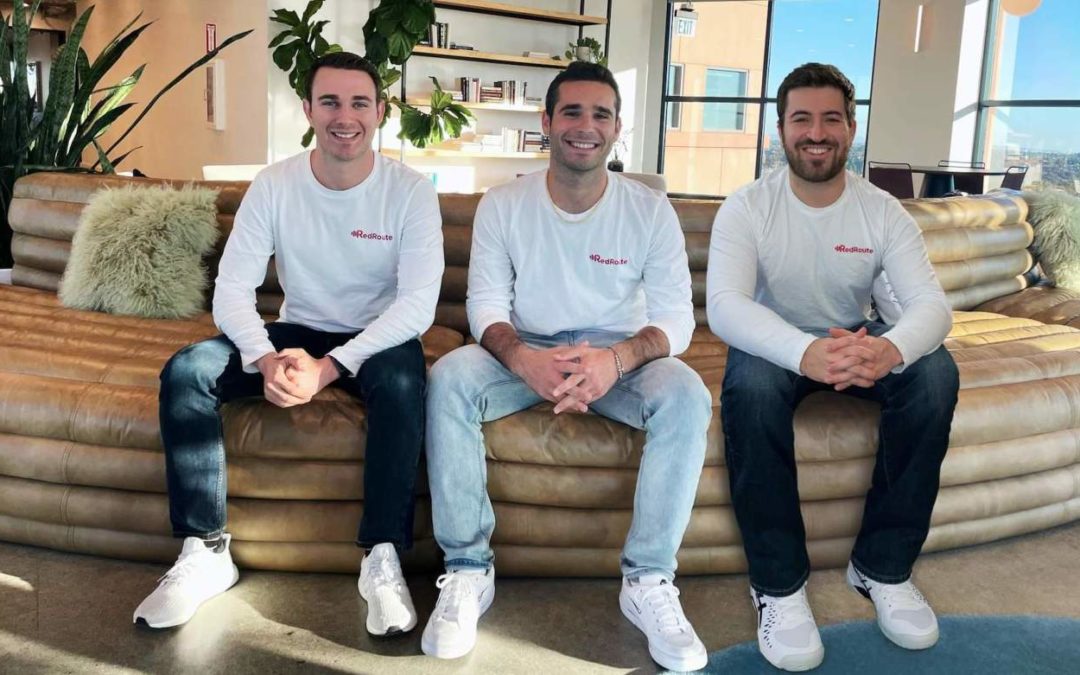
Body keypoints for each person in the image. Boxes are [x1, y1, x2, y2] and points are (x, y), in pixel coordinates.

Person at [133, 52, 444, 637]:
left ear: (380, 112)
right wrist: (266, 358)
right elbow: (231, 290)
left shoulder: (408, 192)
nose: (344, 116)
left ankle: (381, 555)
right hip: (294, 331)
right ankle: (206, 550)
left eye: (358, 103)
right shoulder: (275, 185)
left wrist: (329, 369)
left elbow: (418, 307)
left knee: (405, 382)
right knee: (186, 372)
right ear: (308, 110)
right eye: (329, 101)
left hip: (376, 335)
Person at [420, 62, 711, 672]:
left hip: (619, 356)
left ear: (617, 129)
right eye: (572, 113)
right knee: (448, 377)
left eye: (600, 114)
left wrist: (615, 359)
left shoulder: (649, 210)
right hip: (529, 345)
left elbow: (676, 321)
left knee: (686, 394)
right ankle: (468, 571)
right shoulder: (503, 204)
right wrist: (525, 360)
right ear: (547, 123)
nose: (586, 127)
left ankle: (648, 582)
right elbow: (486, 308)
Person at [706, 62, 959, 671]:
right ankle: (778, 586)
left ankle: (882, 569)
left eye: (830, 119)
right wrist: (804, 353)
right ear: (780, 128)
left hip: (857, 337)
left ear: (851, 128)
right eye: (801, 119)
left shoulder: (883, 212)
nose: (815, 133)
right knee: (753, 389)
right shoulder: (747, 207)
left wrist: (889, 348)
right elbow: (726, 306)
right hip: (775, 344)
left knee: (934, 374)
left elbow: (931, 307)